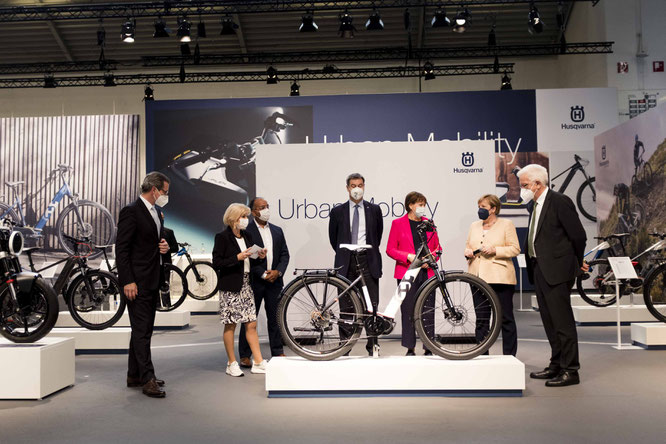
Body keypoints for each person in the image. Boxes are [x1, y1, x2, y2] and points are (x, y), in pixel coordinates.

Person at [518, 164, 587, 387]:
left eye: (525, 185)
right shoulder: (534, 206)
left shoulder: (559, 201)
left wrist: (577, 262)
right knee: (549, 320)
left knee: (562, 322)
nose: (522, 190)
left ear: (538, 184)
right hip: (539, 268)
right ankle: (556, 364)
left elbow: (578, 236)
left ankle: (571, 370)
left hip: (558, 270)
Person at [116, 171, 171, 398]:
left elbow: (152, 242)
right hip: (136, 282)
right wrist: (128, 280)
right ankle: (147, 379)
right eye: (165, 192)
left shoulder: (157, 213)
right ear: (154, 190)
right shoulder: (131, 211)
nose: (166, 196)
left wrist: (165, 247)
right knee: (142, 331)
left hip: (152, 279)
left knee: (143, 330)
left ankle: (134, 375)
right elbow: (122, 249)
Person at [328, 173, 383, 355]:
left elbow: (378, 236)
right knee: (346, 306)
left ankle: (372, 345)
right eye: (353, 185)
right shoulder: (337, 212)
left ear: (364, 186)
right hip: (346, 261)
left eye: (360, 185)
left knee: (371, 305)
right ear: (347, 188)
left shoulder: (374, 210)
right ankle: (345, 347)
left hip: (368, 260)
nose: (357, 189)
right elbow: (333, 239)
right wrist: (347, 253)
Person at [212, 203, 268, 377]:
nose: (245, 220)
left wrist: (260, 256)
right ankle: (231, 362)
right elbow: (217, 262)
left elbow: (251, 261)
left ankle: (258, 361)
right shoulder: (222, 237)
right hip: (231, 287)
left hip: (246, 285)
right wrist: (237, 257)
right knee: (231, 325)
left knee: (251, 323)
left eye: (246, 216)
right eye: (242, 216)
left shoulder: (248, 236)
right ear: (233, 218)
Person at [386, 191, 442, 356]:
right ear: (410, 205)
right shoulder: (398, 224)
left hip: (427, 271)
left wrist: (432, 257)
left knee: (428, 309)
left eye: (424, 204)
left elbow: (437, 247)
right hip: (407, 271)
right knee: (408, 310)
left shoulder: (429, 223)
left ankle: (428, 346)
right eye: (419, 204)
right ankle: (410, 347)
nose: (422, 208)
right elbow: (390, 249)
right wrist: (409, 257)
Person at [464, 194, 520, 356]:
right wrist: (468, 252)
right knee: (481, 319)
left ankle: (509, 356)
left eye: (484, 207)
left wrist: (496, 250)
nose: (480, 210)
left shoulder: (506, 224)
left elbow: (515, 249)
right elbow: (469, 245)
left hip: (500, 277)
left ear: (494, 209)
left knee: (505, 318)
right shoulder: (474, 226)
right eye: (479, 206)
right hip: (477, 277)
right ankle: (482, 355)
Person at [238, 197, 290, 368]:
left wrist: (278, 272)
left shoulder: (277, 230)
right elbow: (248, 257)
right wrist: (262, 274)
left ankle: (277, 351)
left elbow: (284, 255)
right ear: (253, 212)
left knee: (274, 317)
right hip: (255, 282)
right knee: (249, 319)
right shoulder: (247, 232)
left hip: (275, 281)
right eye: (262, 207)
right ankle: (245, 355)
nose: (266, 210)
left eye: (267, 206)